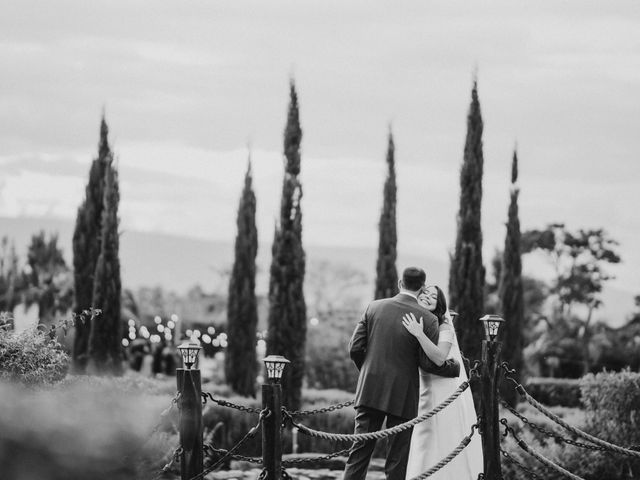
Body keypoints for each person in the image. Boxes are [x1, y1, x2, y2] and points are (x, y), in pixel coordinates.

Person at [344, 267, 460, 480]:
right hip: (403, 394)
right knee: (397, 459)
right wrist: (453, 368)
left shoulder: (374, 307)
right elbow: (428, 363)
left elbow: (354, 348)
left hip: (370, 389)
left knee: (359, 453)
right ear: (422, 287)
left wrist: (370, 372)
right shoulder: (428, 318)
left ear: (400, 283)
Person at [402, 285, 483, 479]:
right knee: (424, 438)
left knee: (445, 436)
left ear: (440, 304)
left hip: (444, 390)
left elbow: (439, 358)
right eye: (425, 293)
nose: (428, 297)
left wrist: (418, 333)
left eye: (434, 297)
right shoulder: (414, 319)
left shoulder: (444, 326)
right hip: (424, 389)